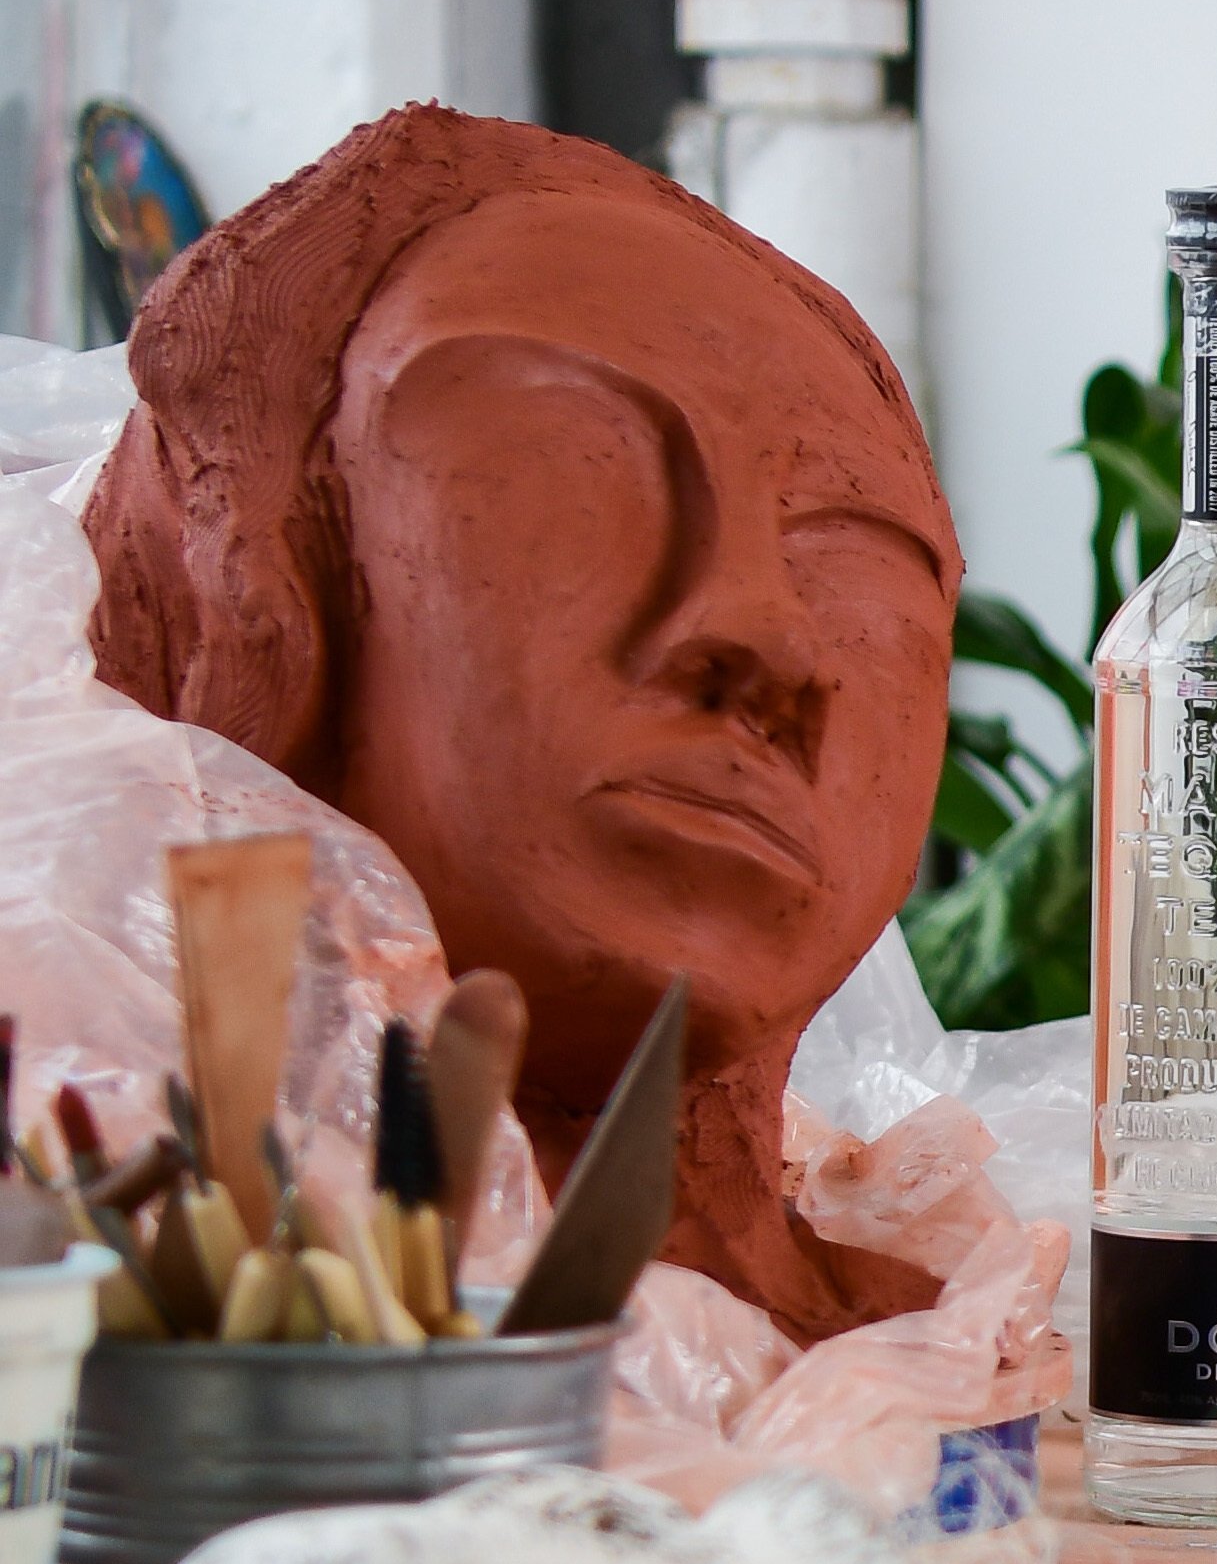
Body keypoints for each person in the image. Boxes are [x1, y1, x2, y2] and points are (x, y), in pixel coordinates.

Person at [89, 107, 964, 1343]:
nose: (765, 641)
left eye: (856, 567)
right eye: (574, 461)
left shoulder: (931, 1354)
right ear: (261, 584)